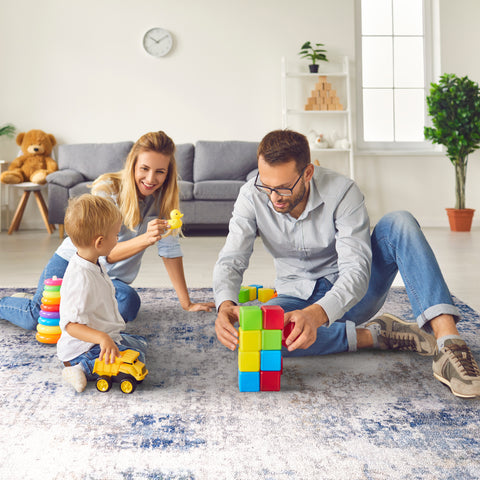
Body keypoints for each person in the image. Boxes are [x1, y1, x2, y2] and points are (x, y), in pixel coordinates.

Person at [213, 129, 480, 399]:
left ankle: (449, 344)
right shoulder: (250, 195)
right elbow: (232, 257)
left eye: (283, 188)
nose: (273, 197)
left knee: (400, 221)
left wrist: (317, 316)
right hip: (294, 297)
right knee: (258, 338)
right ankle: (377, 335)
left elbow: (356, 270)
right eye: (266, 186)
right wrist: (225, 304)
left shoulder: (343, 191)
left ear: (307, 173)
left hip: (354, 296)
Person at [0, 131, 214, 330]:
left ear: (168, 173)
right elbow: (102, 251)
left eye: (160, 172)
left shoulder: (164, 200)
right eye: (145, 169)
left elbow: (170, 251)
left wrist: (186, 303)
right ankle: (9, 303)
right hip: (72, 264)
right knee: (37, 317)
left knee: (128, 304)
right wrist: (145, 239)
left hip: (108, 280)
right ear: (133, 164)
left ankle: (75, 307)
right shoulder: (107, 190)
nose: (151, 179)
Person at [58, 194, 147, 393]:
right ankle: (79, 369)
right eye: (116, 235)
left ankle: (106, 348)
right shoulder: (80, 278)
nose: (118, 238)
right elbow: (70, 325)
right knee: (137, 358)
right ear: (99, 242)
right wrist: (102, 338)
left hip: (100, 337)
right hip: (82, 349)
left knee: (140, 346)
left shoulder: (93, 261)